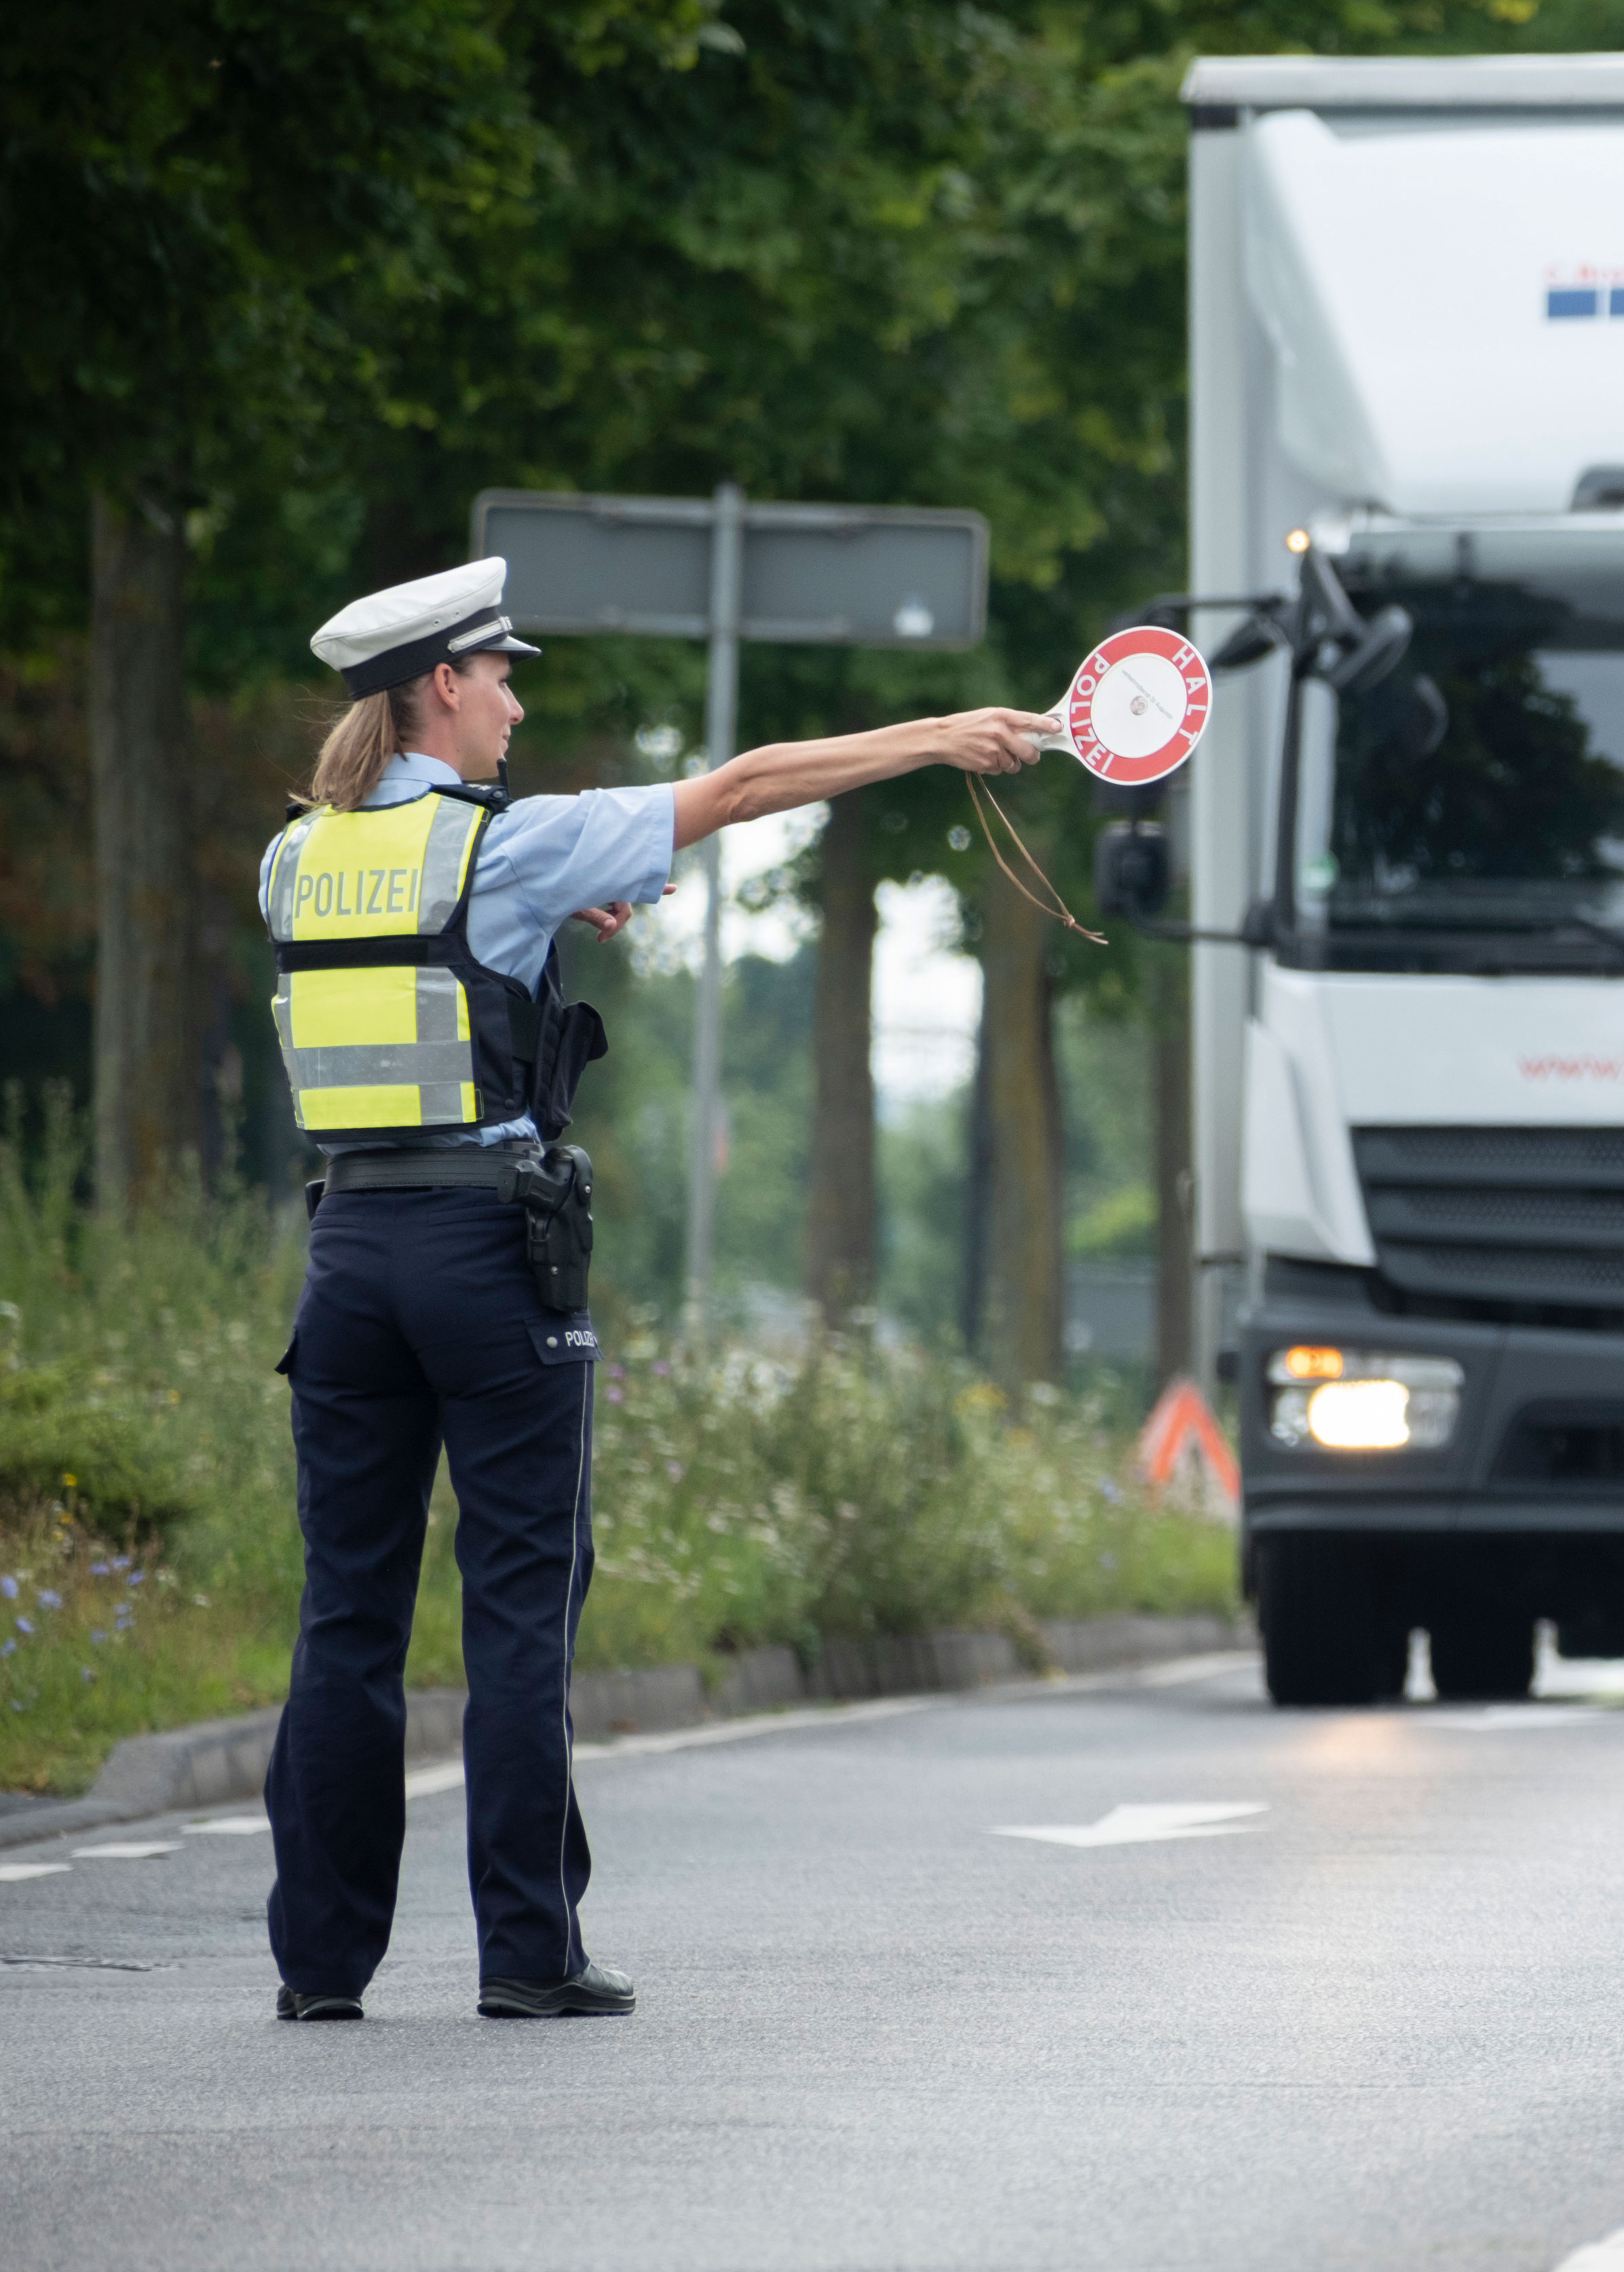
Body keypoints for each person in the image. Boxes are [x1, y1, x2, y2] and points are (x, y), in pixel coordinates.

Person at [257, 556, 1053, 2024]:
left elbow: (414, 971)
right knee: (515, 1607)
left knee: (345, 1616)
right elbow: (745, 785)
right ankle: (527, 1952)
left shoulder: (294, 858)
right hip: (488, 1257)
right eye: (501, 677)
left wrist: (558, 917)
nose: (514, 701)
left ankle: (319, 1964)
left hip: (349, 1252)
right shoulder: (507, 844)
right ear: (442, 684)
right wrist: (943, 735)